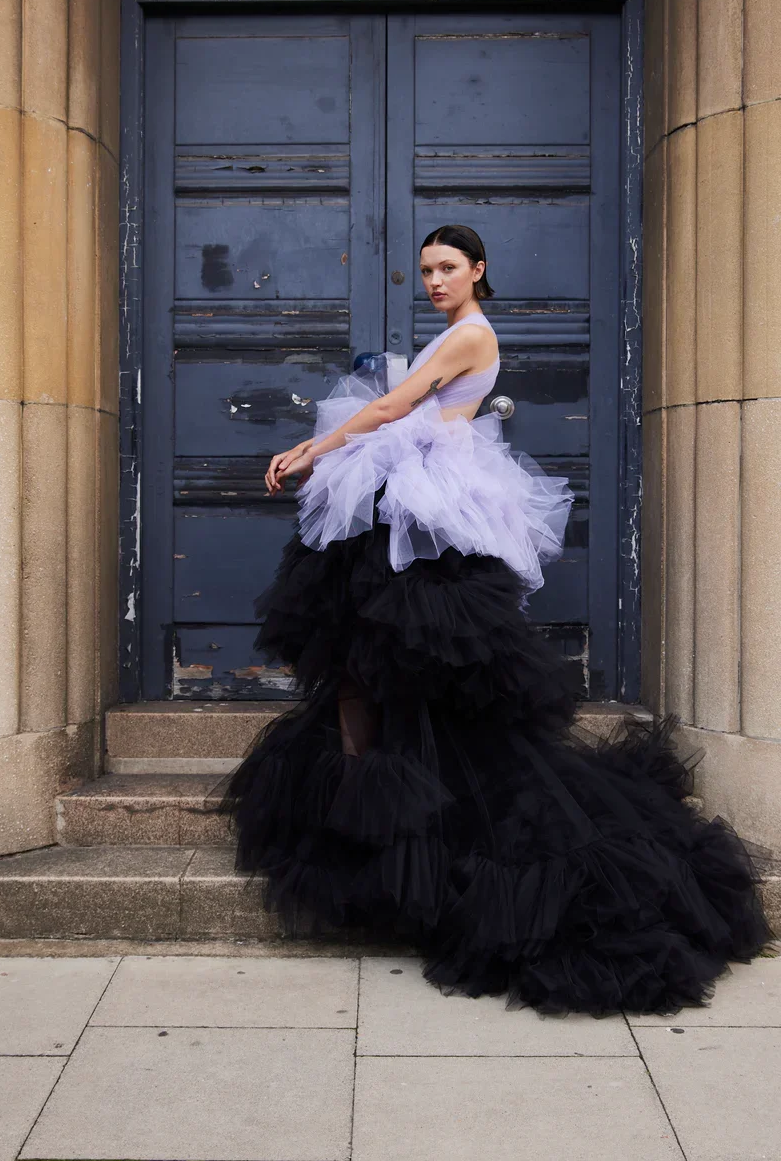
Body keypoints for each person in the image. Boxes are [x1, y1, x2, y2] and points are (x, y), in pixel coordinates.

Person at [217, 224, 774, 1017]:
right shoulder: (457, 333)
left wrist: (318, 446)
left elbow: (400, 401)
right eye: (426, 271)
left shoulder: (470, 335)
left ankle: (398, 815)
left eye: (448, 267)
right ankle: (377, 802)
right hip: (417, 500)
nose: (435, 280)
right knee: (368, 661)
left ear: (479, 270)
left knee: (394, 662)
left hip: (426, 508)